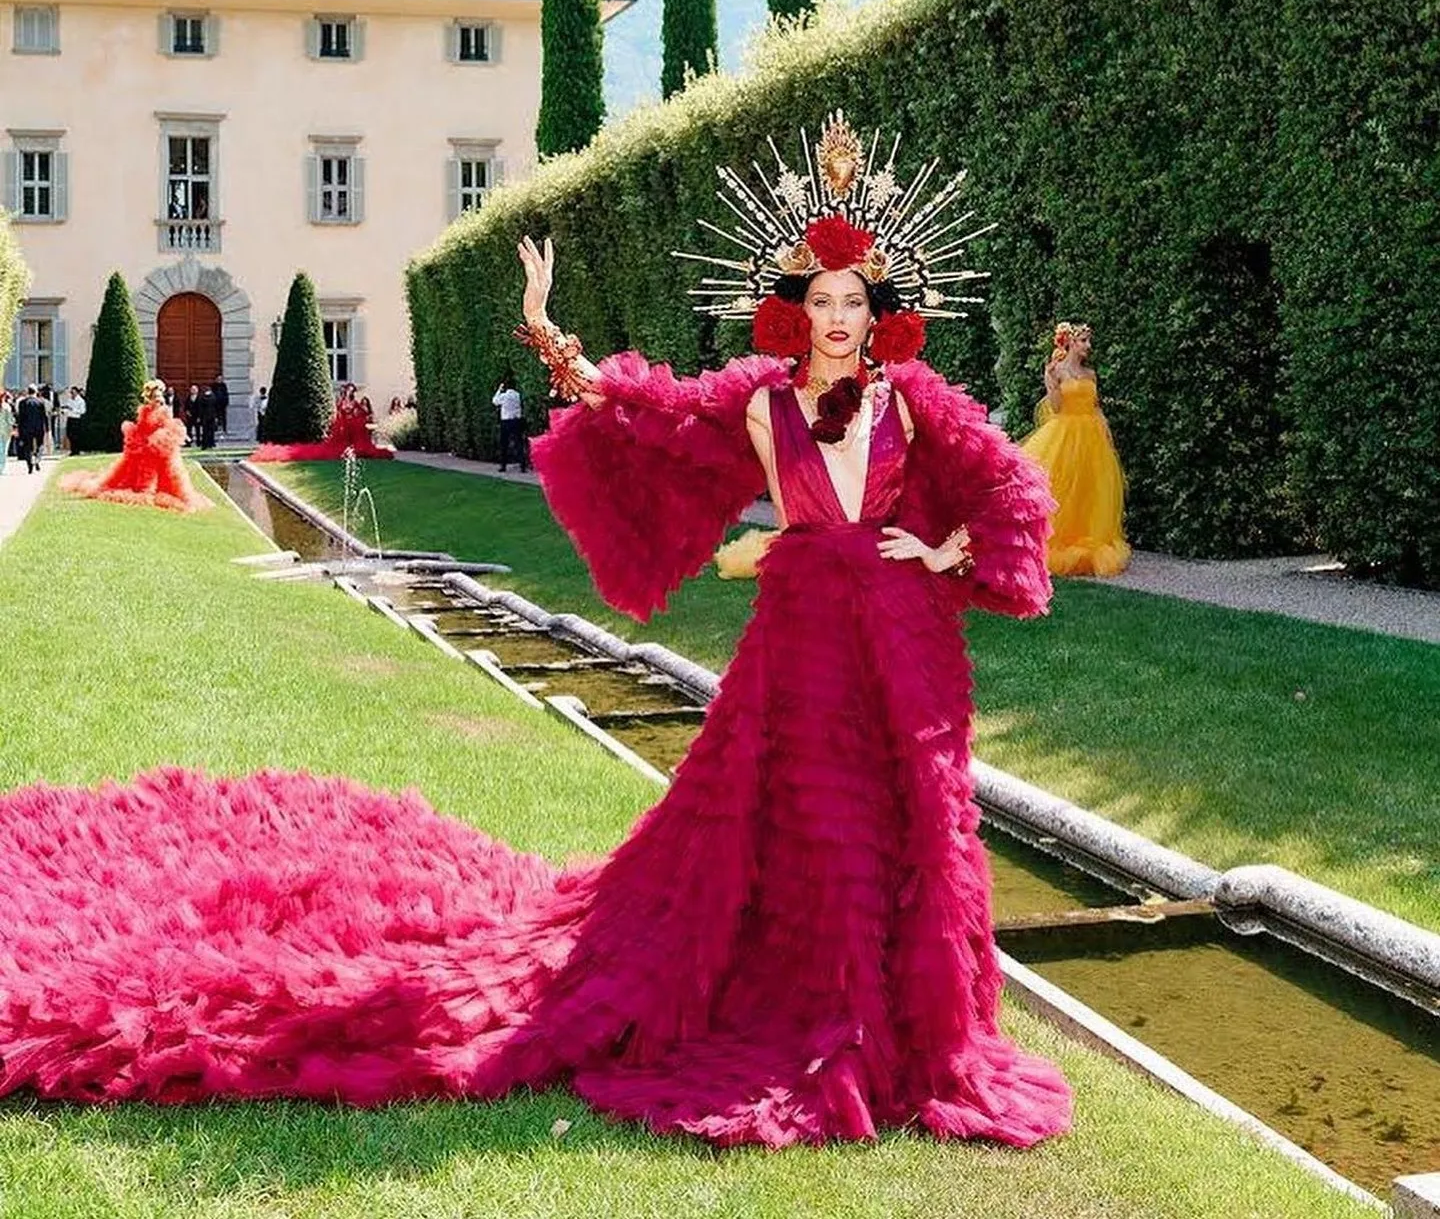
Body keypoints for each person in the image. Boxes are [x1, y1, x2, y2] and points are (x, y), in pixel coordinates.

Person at [0, 119, 1069, 1154]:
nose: (838, 318)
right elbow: (639, 410)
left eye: (855, 302)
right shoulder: (757, 405)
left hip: (906, 643)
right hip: (800, 649)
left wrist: (946, 556)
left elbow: (1014, 491)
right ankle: (822, 1015)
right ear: (794, 310)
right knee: (803, 818)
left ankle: (921, 1031)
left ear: (880, 311)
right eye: (821, 300)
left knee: (916, 819)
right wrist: (549, 328)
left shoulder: (916, 403)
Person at [1019, 322, 1131, 576]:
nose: (1087, 346)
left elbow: (1095, 406)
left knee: (1089, 487)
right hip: (1066, 434)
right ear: (1069, 342)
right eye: (1083, 341)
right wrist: (1050, 383)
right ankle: (1055, 539)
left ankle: (1086, 538)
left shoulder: (1090, 374)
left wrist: (1106, 431)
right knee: (1062, 483)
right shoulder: (1057, 370)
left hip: (1091, 435)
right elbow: (1057, 408)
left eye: (1088, 341)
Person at [58, 378, 211, 512]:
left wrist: (162, 437)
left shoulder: (165, 411)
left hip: (160, 447)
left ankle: (159, 487)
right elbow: (143, 426)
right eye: (156, 397)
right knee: (137, 473)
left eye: (160, 397)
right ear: (150, 398)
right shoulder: (145, 410)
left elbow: (167, 425)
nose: (159, 400)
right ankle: (145, 489)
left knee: (169, 473)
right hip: (144, 445)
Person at [250, 381, 394, 462]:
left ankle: (355, 449)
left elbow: (361, 413)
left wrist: (358, 416)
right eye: (348, 390)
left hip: (354, 428)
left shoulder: (355, 403)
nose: (349, 392)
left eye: (351, 390)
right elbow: (340, 413)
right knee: (337, 448)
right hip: (345, 428)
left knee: (361, 448)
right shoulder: (342, 402)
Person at [492, 372, 527, 472]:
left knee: (504, 444)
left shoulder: (504, 396)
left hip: (506, 422)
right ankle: (522, 465)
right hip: (517, 420)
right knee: (518, 443)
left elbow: (494, 401)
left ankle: (503, 465)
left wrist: (499, 389)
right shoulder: (517, 395)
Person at [15, 385, 48, 473]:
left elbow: (20, 418)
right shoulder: (40, 402)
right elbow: (44, 416)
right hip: (38, 427)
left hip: (26, 428)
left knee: (27, 447)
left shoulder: (22, 403)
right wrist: (47, 428)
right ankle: (37, 459)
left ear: (28, 392)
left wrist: (19, 429)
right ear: (36, 392)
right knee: (40, 445)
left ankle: (29, 465)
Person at [61, 386, 86, 456]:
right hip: (70, 419)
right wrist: (64, 411)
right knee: (69, 434)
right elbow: (67, 408)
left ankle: (77, 450)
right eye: (71, 392)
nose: (72, 394)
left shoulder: (81, 401)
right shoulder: (70, 400)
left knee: (76, 436)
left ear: (77, 392)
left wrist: (73, 410)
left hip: (76, 419)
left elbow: (83, 411)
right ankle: (72, 450)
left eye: (73, 392)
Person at [0, 390, 13, 474]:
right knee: (4, 451)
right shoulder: (6, 407)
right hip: (5, 431)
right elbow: (9, 421)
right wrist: (12, 429)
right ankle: (1, 468)